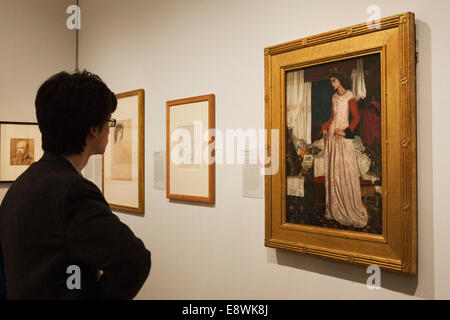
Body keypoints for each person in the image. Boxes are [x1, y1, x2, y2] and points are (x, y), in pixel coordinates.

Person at [0, 71, 151, 299]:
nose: (110, 130)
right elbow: (134, 260)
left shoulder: (22, 185)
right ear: (93, 129)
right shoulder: (72, 191)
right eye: (108, 121)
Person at [321, 68, 368, 228]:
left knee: (346, 172)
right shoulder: (334, 97)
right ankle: (335, 208)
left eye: (333, 80)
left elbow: (357, 117)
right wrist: (325, 127)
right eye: (331, 81)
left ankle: (349, 206)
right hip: (332, 138)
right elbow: (332, 117)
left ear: (340, 80)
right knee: (335, 172)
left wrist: (346, 132)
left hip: (343, 137)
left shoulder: (349, 95)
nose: (332, 84)